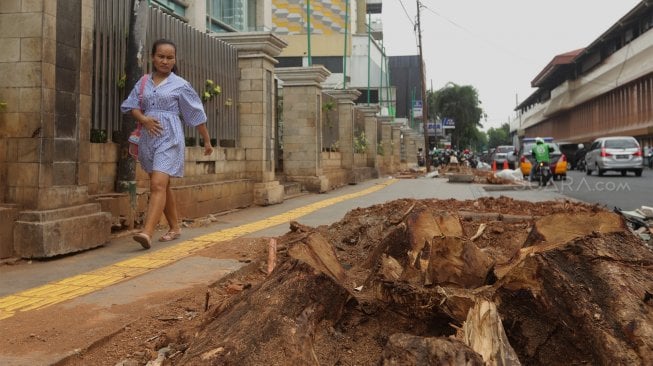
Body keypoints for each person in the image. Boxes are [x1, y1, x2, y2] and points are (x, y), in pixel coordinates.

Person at [121, 38, 213, 249]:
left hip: (170, 138)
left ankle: (147, 232)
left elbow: (195, 113)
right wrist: (144, 120)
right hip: (148, 140)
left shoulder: (181, 85)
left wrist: (206, 140)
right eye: (161, 56)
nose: (165, 61)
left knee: (157, 185)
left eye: (169, 57)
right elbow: (131, 106)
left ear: (174, 60)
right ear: (153, 58)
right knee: (163, 186)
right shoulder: (143, 82)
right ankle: (175, 227)